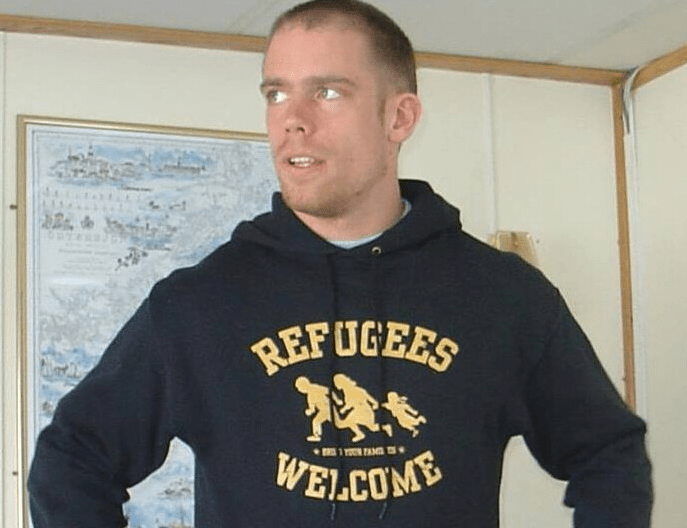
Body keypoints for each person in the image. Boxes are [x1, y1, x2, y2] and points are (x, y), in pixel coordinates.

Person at [28, 0, 652, 526]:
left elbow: (609, 453)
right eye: (276, 94)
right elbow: (73, 458)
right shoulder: (197, 305)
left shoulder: (505, 296)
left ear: (399, 117)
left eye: (327, 92)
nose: (292, 121)